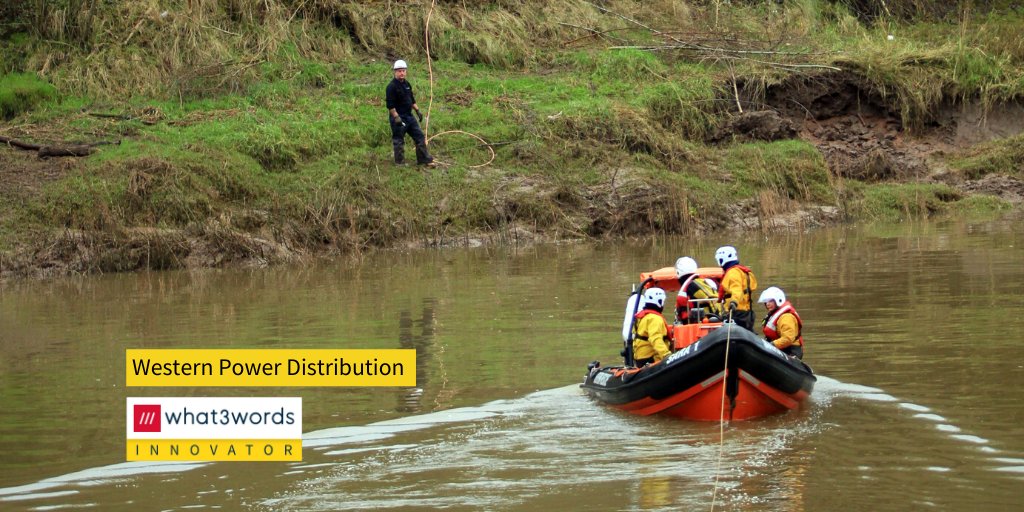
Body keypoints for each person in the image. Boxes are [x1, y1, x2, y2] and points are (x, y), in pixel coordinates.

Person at [385, 59, 433, 166]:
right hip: (398, 117)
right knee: (399, 140)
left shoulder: (407, 84)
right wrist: (396, 117)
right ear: (395, 72)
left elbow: (411, 99)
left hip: (409, 116)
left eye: (403, 71)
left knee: (419, 137)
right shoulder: (391, 87)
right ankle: (400, 163)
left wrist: (417, 110)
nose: (402, 73)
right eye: (399, 71)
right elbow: (390, 105)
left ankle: (423, 160)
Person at [715, 245, 758, 331]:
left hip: (736, 313)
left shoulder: (733, 273)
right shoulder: (742, 271)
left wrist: (734, 302)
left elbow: (737, 289)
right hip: (746, 312)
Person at [758, 286, 805, 359]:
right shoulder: (774, 315)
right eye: (766, 302)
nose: (767, 304)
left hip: (790, 350)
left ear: (778, 300)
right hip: (781, 349)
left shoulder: (786, 317)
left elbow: (788, 339)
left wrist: (771, 345)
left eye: (770, 301)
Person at [673, 256, 723, 324]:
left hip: (701, 323)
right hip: (708, 319)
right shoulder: (699, 283)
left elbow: (710, 299)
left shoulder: (691, 286)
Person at [631, 287, 671, 367]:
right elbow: (655, 339)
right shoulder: (654, 318)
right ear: (659, 301)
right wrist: (667, 355)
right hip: (651, 359)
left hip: (640, 359)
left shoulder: (643, 316)